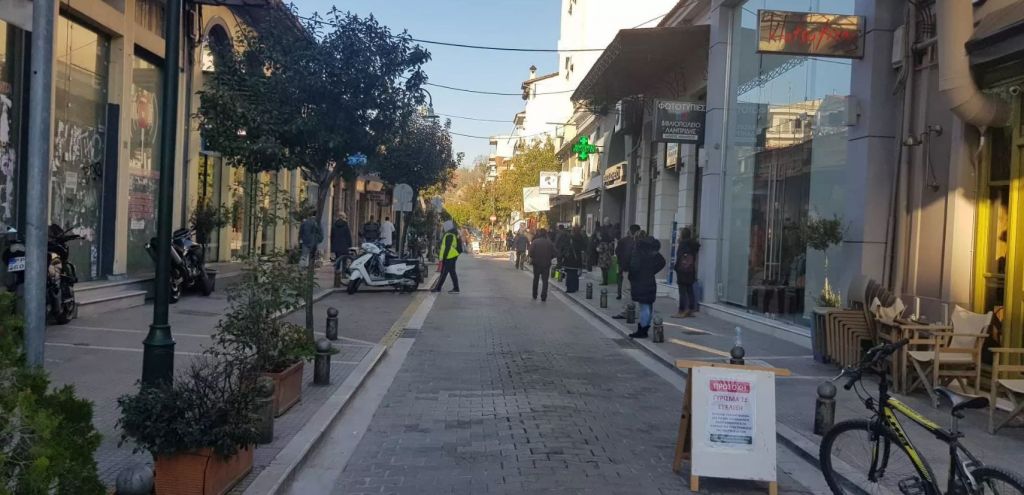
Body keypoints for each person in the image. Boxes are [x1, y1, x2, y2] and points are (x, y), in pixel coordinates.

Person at [628, 232, 666, 339]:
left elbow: (634, 267)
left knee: (643, 306)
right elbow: (662, 262)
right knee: (648, 305)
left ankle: (642, 330)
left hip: (640, 281)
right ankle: (645, 328)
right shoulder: (652, 250)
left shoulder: (638, 250)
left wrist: (632, 276)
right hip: (650, 280)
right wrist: (652, 271)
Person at [674, 227, 701, 318]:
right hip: (691, 270)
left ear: (683, 235)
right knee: (690, 290)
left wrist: (676, 268)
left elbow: (679, 257)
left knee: (682, 292)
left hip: (682, 271)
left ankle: (681, 311)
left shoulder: (682, 244)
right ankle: (690, 310)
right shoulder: (693, 245)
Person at [529, 228, 557, 301]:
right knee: (545, 280)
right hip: (546, 264)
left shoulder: (535, 242)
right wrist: (550, 257)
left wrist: (533, 257)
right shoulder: (550, 243)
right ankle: (544, 296)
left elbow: (530, 252)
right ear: (546, 234)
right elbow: (555, 253)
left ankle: (535, 294)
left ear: (539, 234)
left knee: (536, 279)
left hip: (536, 263)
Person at [432, 226, 461, 294]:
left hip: (449, 257)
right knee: (452, 273)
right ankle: (456, 288)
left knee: (443, 273)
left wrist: (444, 257)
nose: (443, 229)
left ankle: (438, 288)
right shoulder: (452, 235)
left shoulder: (449, 235)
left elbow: (447, 248)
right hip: (451, 256)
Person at [616, 224, 641, 300]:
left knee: (622, 281)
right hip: (631, 267)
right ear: (637, 232)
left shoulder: (623, 240)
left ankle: (620, 294)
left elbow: (617, 251)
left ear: (630, 231)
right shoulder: (638, 241)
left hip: (623, 265)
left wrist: (620, 261)